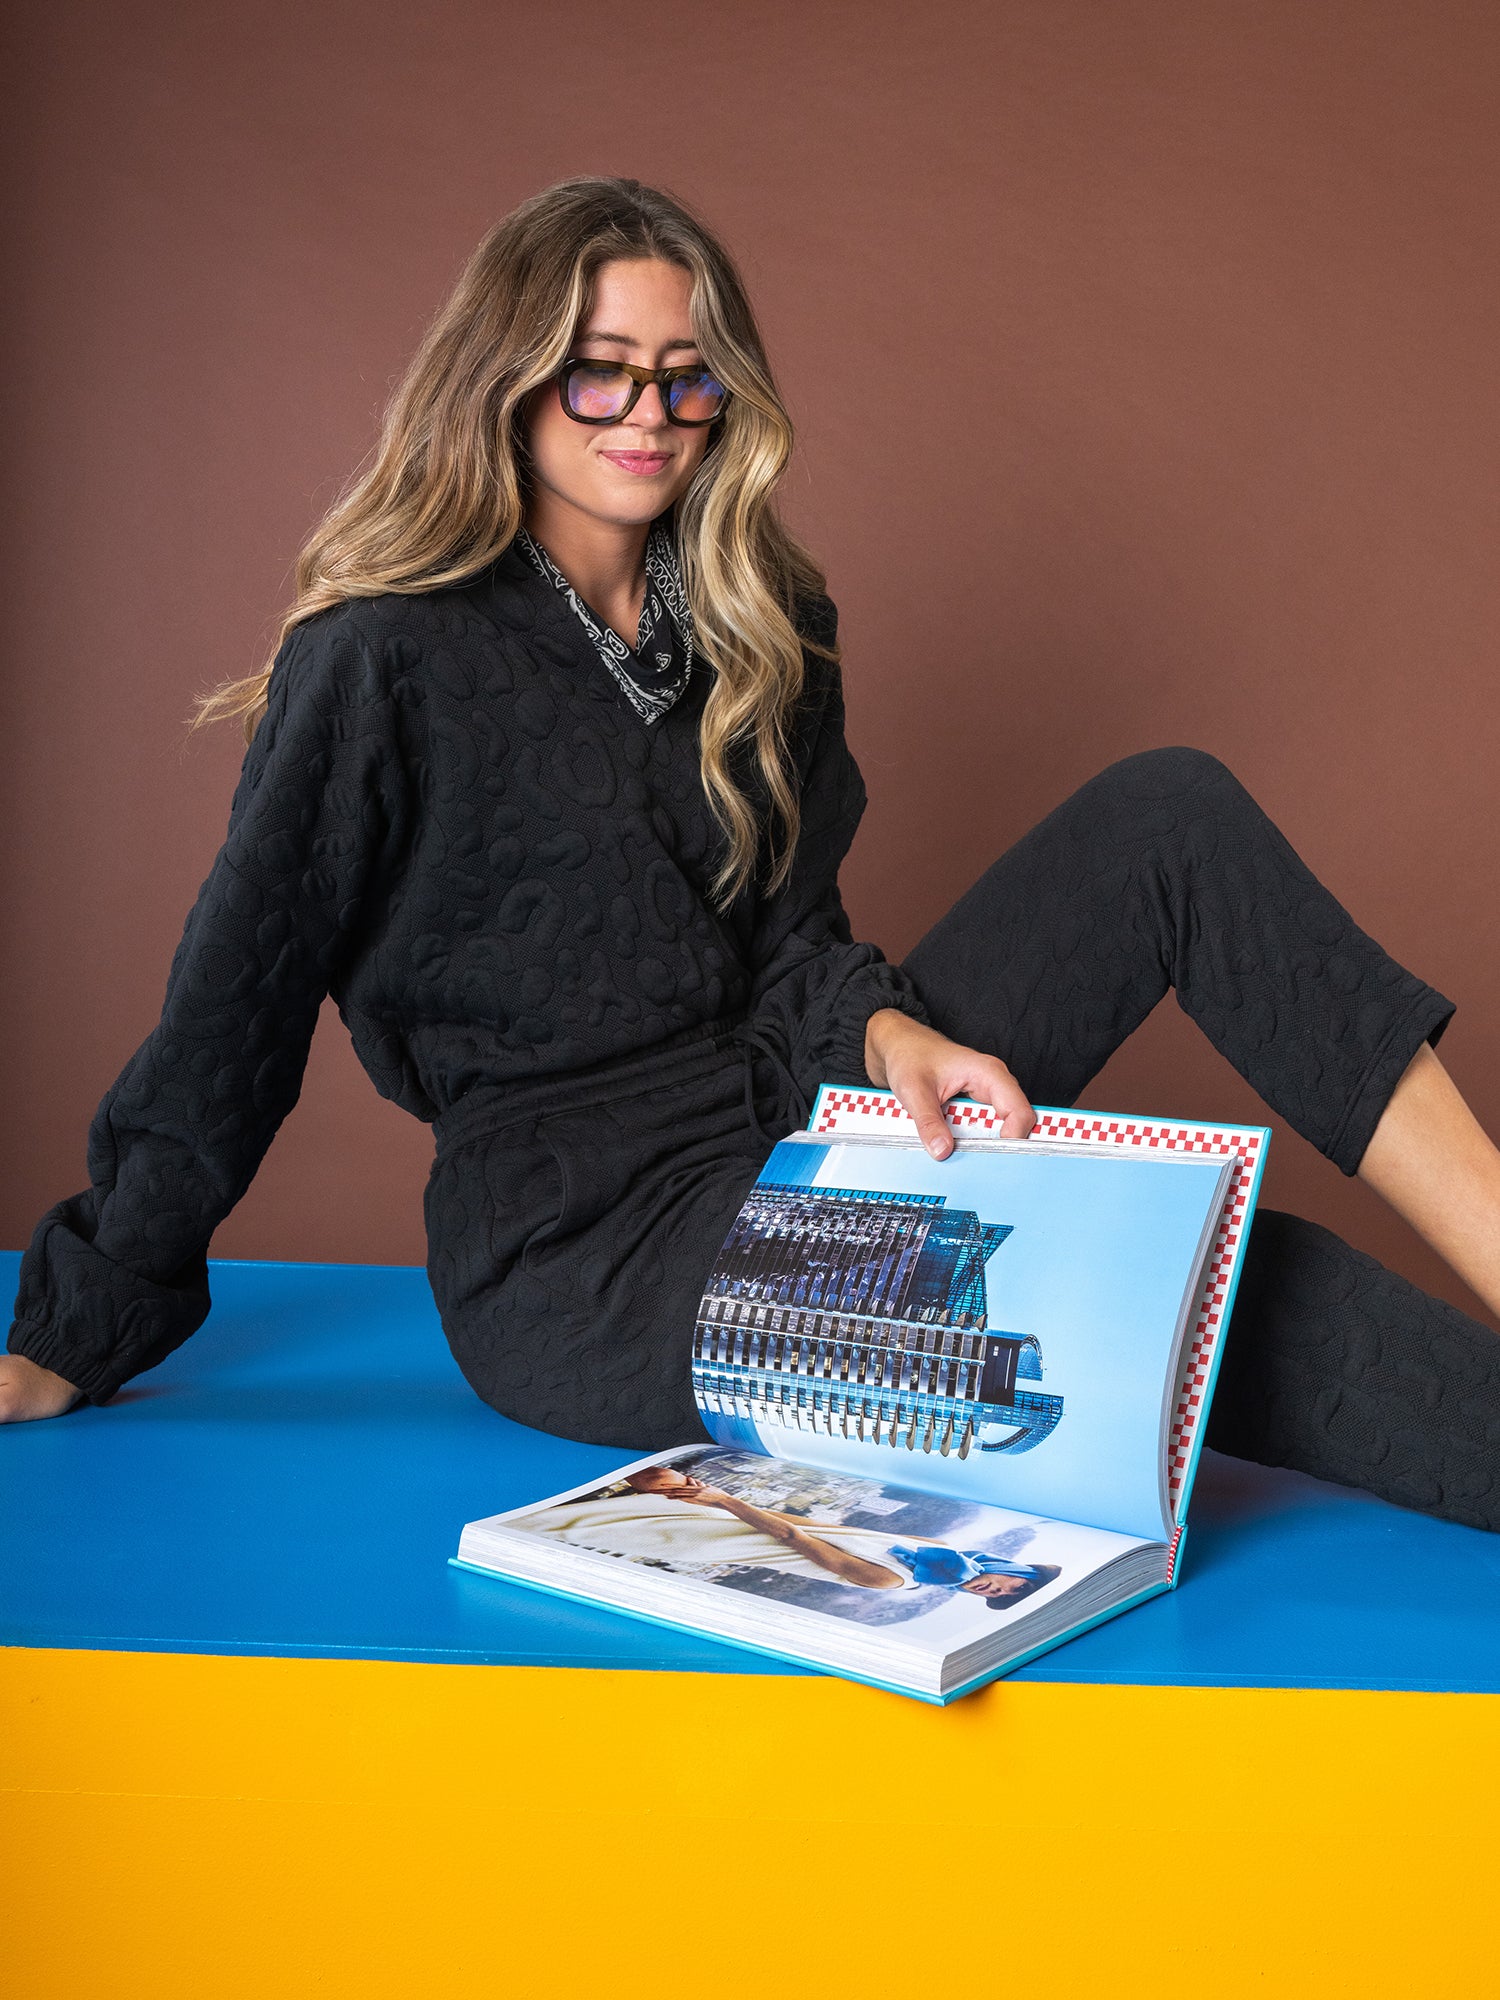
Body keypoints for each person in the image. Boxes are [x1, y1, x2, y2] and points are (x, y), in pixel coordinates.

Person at [2, 178, 1496, 1534]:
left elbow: (794, 953)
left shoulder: (759, 619)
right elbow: (232, 1014)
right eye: (600, 368)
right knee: (1221, 1286)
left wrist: (891, 1025)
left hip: (802, 1118)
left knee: (1166, 813)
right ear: (507, 382)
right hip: (596, 1261)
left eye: (686, 374)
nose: (645, 413)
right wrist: (79, 1323)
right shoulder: (382, 659)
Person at [531, 1460, 1063, 1607]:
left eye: (988, 1597)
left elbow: (796, 1542)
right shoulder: (937, 1551)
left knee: (577, 1525)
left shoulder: (891, 1583)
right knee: (658, 1481)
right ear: (1004, 1569)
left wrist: (722, 1499)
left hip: (721, 1535)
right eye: (996, 1585)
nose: (982, 1590)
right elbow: (822, 1525)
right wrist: (721, 1499)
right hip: (730, 1519)